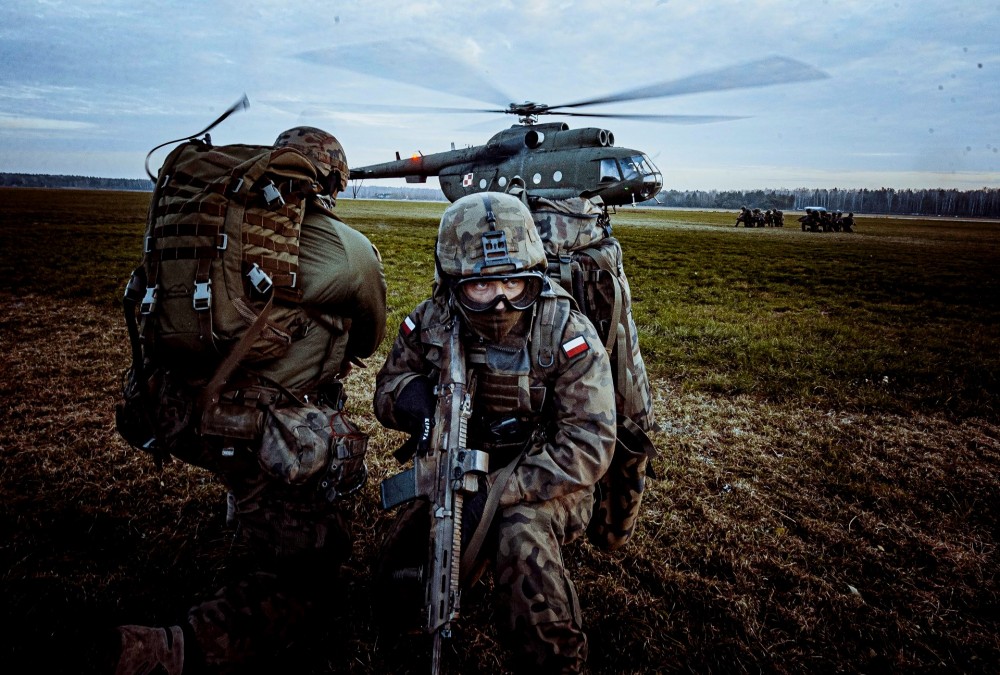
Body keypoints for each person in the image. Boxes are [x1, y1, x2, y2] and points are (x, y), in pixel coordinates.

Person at [111, 126, 387, 674]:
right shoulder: (347, 249)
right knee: (309, 578)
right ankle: (170, 650)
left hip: (174, 412)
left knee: (251, 479)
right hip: (259, 435)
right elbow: (367, 339)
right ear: (331, 181)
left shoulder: (213, 225)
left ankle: (247, 509)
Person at [373, 192, 616, 673]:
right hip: (458, 468)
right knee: (396, 572)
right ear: (454, 283)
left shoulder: (565, 332)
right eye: (482, 285)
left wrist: (498, 491)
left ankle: (556, 659)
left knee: (520, 539)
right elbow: (386, 388)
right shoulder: (433, 320)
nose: (501, 299)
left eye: (513, 281)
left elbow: (589, 443)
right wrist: (416, 403)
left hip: (547, 479)